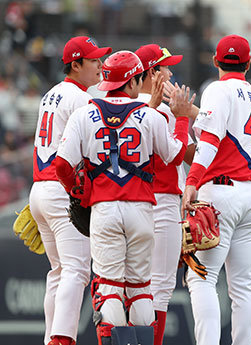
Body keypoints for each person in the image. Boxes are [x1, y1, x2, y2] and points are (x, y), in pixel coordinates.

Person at [55, 50, 194, 345]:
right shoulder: (149, 114)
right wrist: (181, 120)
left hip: (104, 208)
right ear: (133, 81)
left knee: (109, 288)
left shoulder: (84, 112)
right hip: (142, 209)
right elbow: (177, 154)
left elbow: (62, 166)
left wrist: (79, 193)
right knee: (142, 288)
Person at [181, 34, 251, 345]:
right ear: (248, 63)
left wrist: (191, 181)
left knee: (201, 277)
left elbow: (211, 139)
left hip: (221, 192)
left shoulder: (217, 89)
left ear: (216, 61)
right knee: (244, 285)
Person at [29, 36, 111, 345]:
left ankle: (52, 337)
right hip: (61, 189)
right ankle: (61, 340)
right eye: (93, 61)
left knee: (59, 272)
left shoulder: (51, 93)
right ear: (75, 65)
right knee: (76, 271)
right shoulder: (79, 98)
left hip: (41, 188)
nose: (100, 65)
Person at [134, 43, 196, 345]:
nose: (170, 72)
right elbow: (182, 154)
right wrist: (186, 117)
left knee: (126, 286)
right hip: (162, 201)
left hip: (126, 203)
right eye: (165, 67)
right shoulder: (167, 111)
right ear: (151, 73)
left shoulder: (117, 103)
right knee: (159, 286)